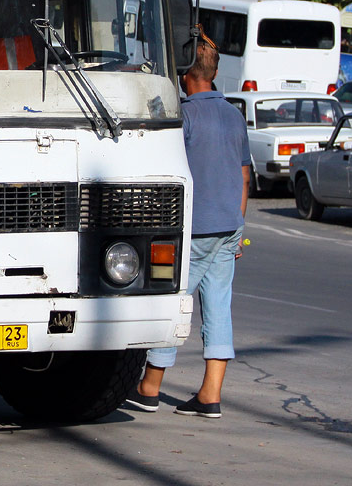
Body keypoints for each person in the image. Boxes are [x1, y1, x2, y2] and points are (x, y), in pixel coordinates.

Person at [127, 33, 250, 419]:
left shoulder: (186, 117)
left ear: (185, 75)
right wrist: (239, 227)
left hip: (193, 229)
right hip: (229, 226)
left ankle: (150, 386)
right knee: (218, 309)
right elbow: (244, 175)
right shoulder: (233, 114)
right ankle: (210, 395)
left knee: (173, 301)